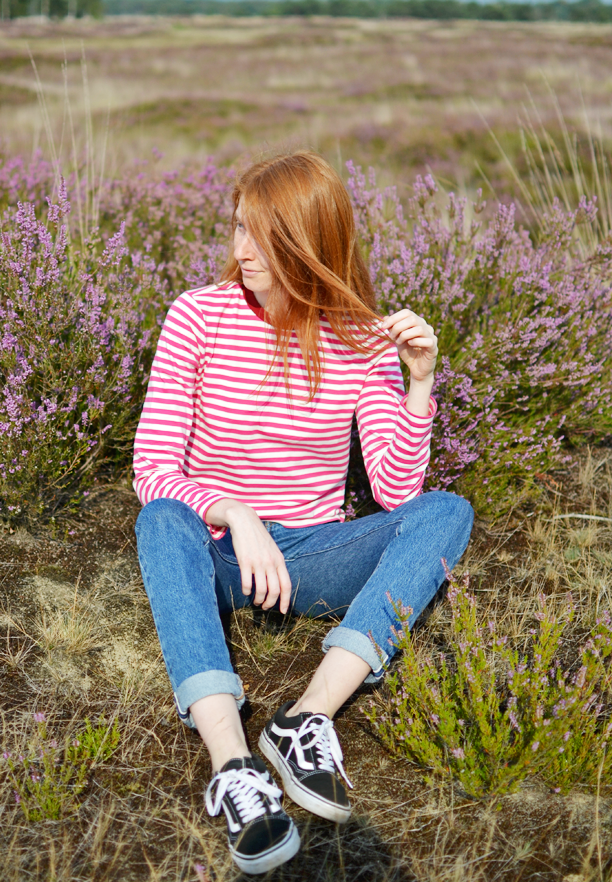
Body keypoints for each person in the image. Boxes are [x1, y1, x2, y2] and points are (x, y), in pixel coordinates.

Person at [133, 150, 474, 875]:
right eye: (236, 228)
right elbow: (153, 468)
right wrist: (234, 512)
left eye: (259, 236)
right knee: (160, 519)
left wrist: (419, 381)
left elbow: (395, 490)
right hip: (217, 546)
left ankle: (307, 716)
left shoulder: (358, 340)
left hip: (309, 554)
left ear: (307, 241)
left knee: (448, 512)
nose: (238, 252)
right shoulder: (197, 316)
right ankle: (233, 766)